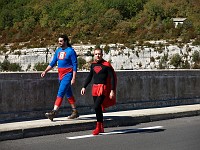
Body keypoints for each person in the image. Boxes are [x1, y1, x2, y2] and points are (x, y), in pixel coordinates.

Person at [41, 34, 79, 121]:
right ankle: (75, 111)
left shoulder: (71, 51)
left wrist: (73, 78)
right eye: (59, 41)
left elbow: (75, 65)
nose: (59, 43)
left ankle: (54, 112)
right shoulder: (58, 51)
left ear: (65, 41)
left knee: (61, 92)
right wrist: (45, 71)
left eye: (61, 41)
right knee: (68, 93)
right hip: (60, 75)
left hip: (68, 74)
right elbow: (53, 62)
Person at [81, 48, 117, 135]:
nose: (98, 55)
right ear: (94, 55)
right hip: (95, 88)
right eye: (96, 54)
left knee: (96, 106)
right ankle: (101, 127)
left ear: (102, 55)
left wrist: (112, 90)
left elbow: (112, 78)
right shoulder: (93, 65)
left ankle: (98, 127)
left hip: (103, 88)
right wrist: (84, 87)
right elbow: (90, 76)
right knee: (98, 109)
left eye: (99, 54)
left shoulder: (106, 65)